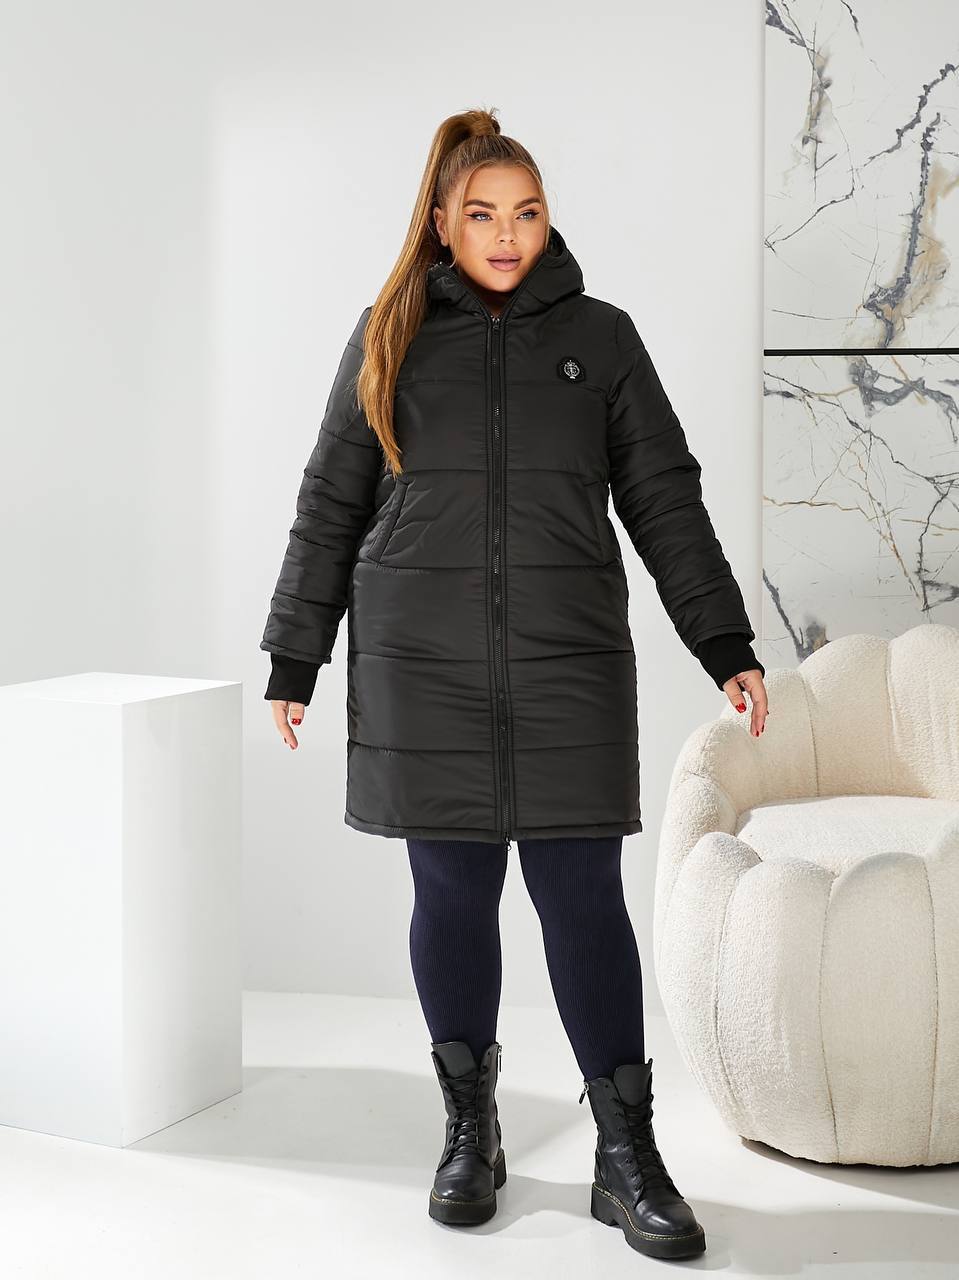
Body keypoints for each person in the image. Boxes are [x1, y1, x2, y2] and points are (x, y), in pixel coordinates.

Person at [261, 107, 768, 1260]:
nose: (505, 233)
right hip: (419, 661)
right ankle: (469, 1128)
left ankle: (624, 1153)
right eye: (481, 213)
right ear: (442, 222)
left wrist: (724, 642)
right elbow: (330, 499)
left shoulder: (600, 337)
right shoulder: (388, 333)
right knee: (450, 894)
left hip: (566, 658)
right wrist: (296, 655)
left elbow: (664, 497)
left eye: (525, 212)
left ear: (546, 221)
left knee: (581, 895)